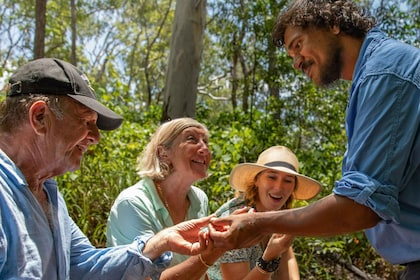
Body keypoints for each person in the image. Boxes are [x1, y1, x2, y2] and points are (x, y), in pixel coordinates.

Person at [209, 0, 420, 279]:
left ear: (333, 24)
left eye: (298, 45)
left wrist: (255, 224)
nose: (296, 62)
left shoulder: (385, 72)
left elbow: (360, 207)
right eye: (290, 55)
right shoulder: (375, 75)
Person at [0, 57, 214, 280]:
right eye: (86, 122)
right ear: (40, 117)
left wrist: (159, 242)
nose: (96, 137)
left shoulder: (48, 194)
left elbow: (83, 264)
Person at [106, 117, 226, 280]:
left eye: (206, 141)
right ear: (163, 153)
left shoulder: (199, 199)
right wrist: (213, 253)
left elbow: (198, 271)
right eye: (192, 139)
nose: (204, 148)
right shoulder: (133, 203)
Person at [208, 146, 322, 280]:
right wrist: (269, 258)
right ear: (256, 180)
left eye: (288, 180)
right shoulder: (236, 220)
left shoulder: (281, 214)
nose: (279, 187)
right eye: (272, 177)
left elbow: (286, 256)